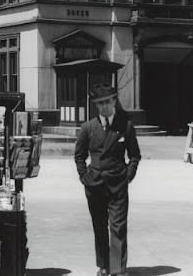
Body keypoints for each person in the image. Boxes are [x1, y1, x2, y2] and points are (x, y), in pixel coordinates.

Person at [74, 83, 141, 276]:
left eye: (107, 102)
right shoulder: (88, 128)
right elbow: (79, 156)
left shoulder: (125, 126)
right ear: (96, 105)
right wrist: (83, 176)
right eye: (100, 103)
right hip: (94, 184)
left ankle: (117, 269)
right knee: (99, 227)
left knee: (118, 227)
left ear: (114, 101)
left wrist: (128, 175)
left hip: (117, 184)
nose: (104, 106)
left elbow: (135, 155)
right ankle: (104, 265)